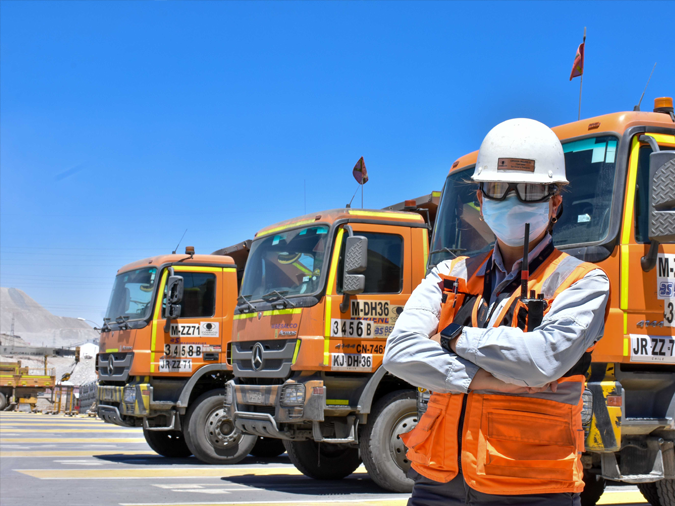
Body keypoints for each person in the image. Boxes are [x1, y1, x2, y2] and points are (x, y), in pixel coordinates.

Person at [383, 118, 610, 506]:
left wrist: (452, 337)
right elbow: (399, 352)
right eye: (498, 188)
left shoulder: (584, 282)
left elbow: (540, 361)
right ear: (482, 199)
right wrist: (483, 379)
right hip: (439, 484)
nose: (513, 199)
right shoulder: (449, 274)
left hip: (533, 487)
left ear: (555, 202)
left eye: (531, 190)